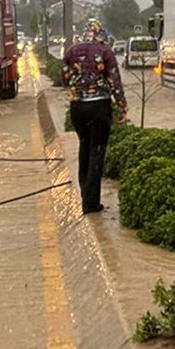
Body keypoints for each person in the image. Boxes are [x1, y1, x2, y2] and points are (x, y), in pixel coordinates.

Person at [63, 20, 127, 215]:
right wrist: (122, 105)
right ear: (101, 35)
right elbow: (114, 80)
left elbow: (64, 78)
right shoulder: (105, 52)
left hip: (77, 108)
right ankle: (91, 204)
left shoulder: (71, 51)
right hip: (99, 107)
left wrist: (79, 88)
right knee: (97, 151)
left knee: (84, 146)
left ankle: (85, 194)